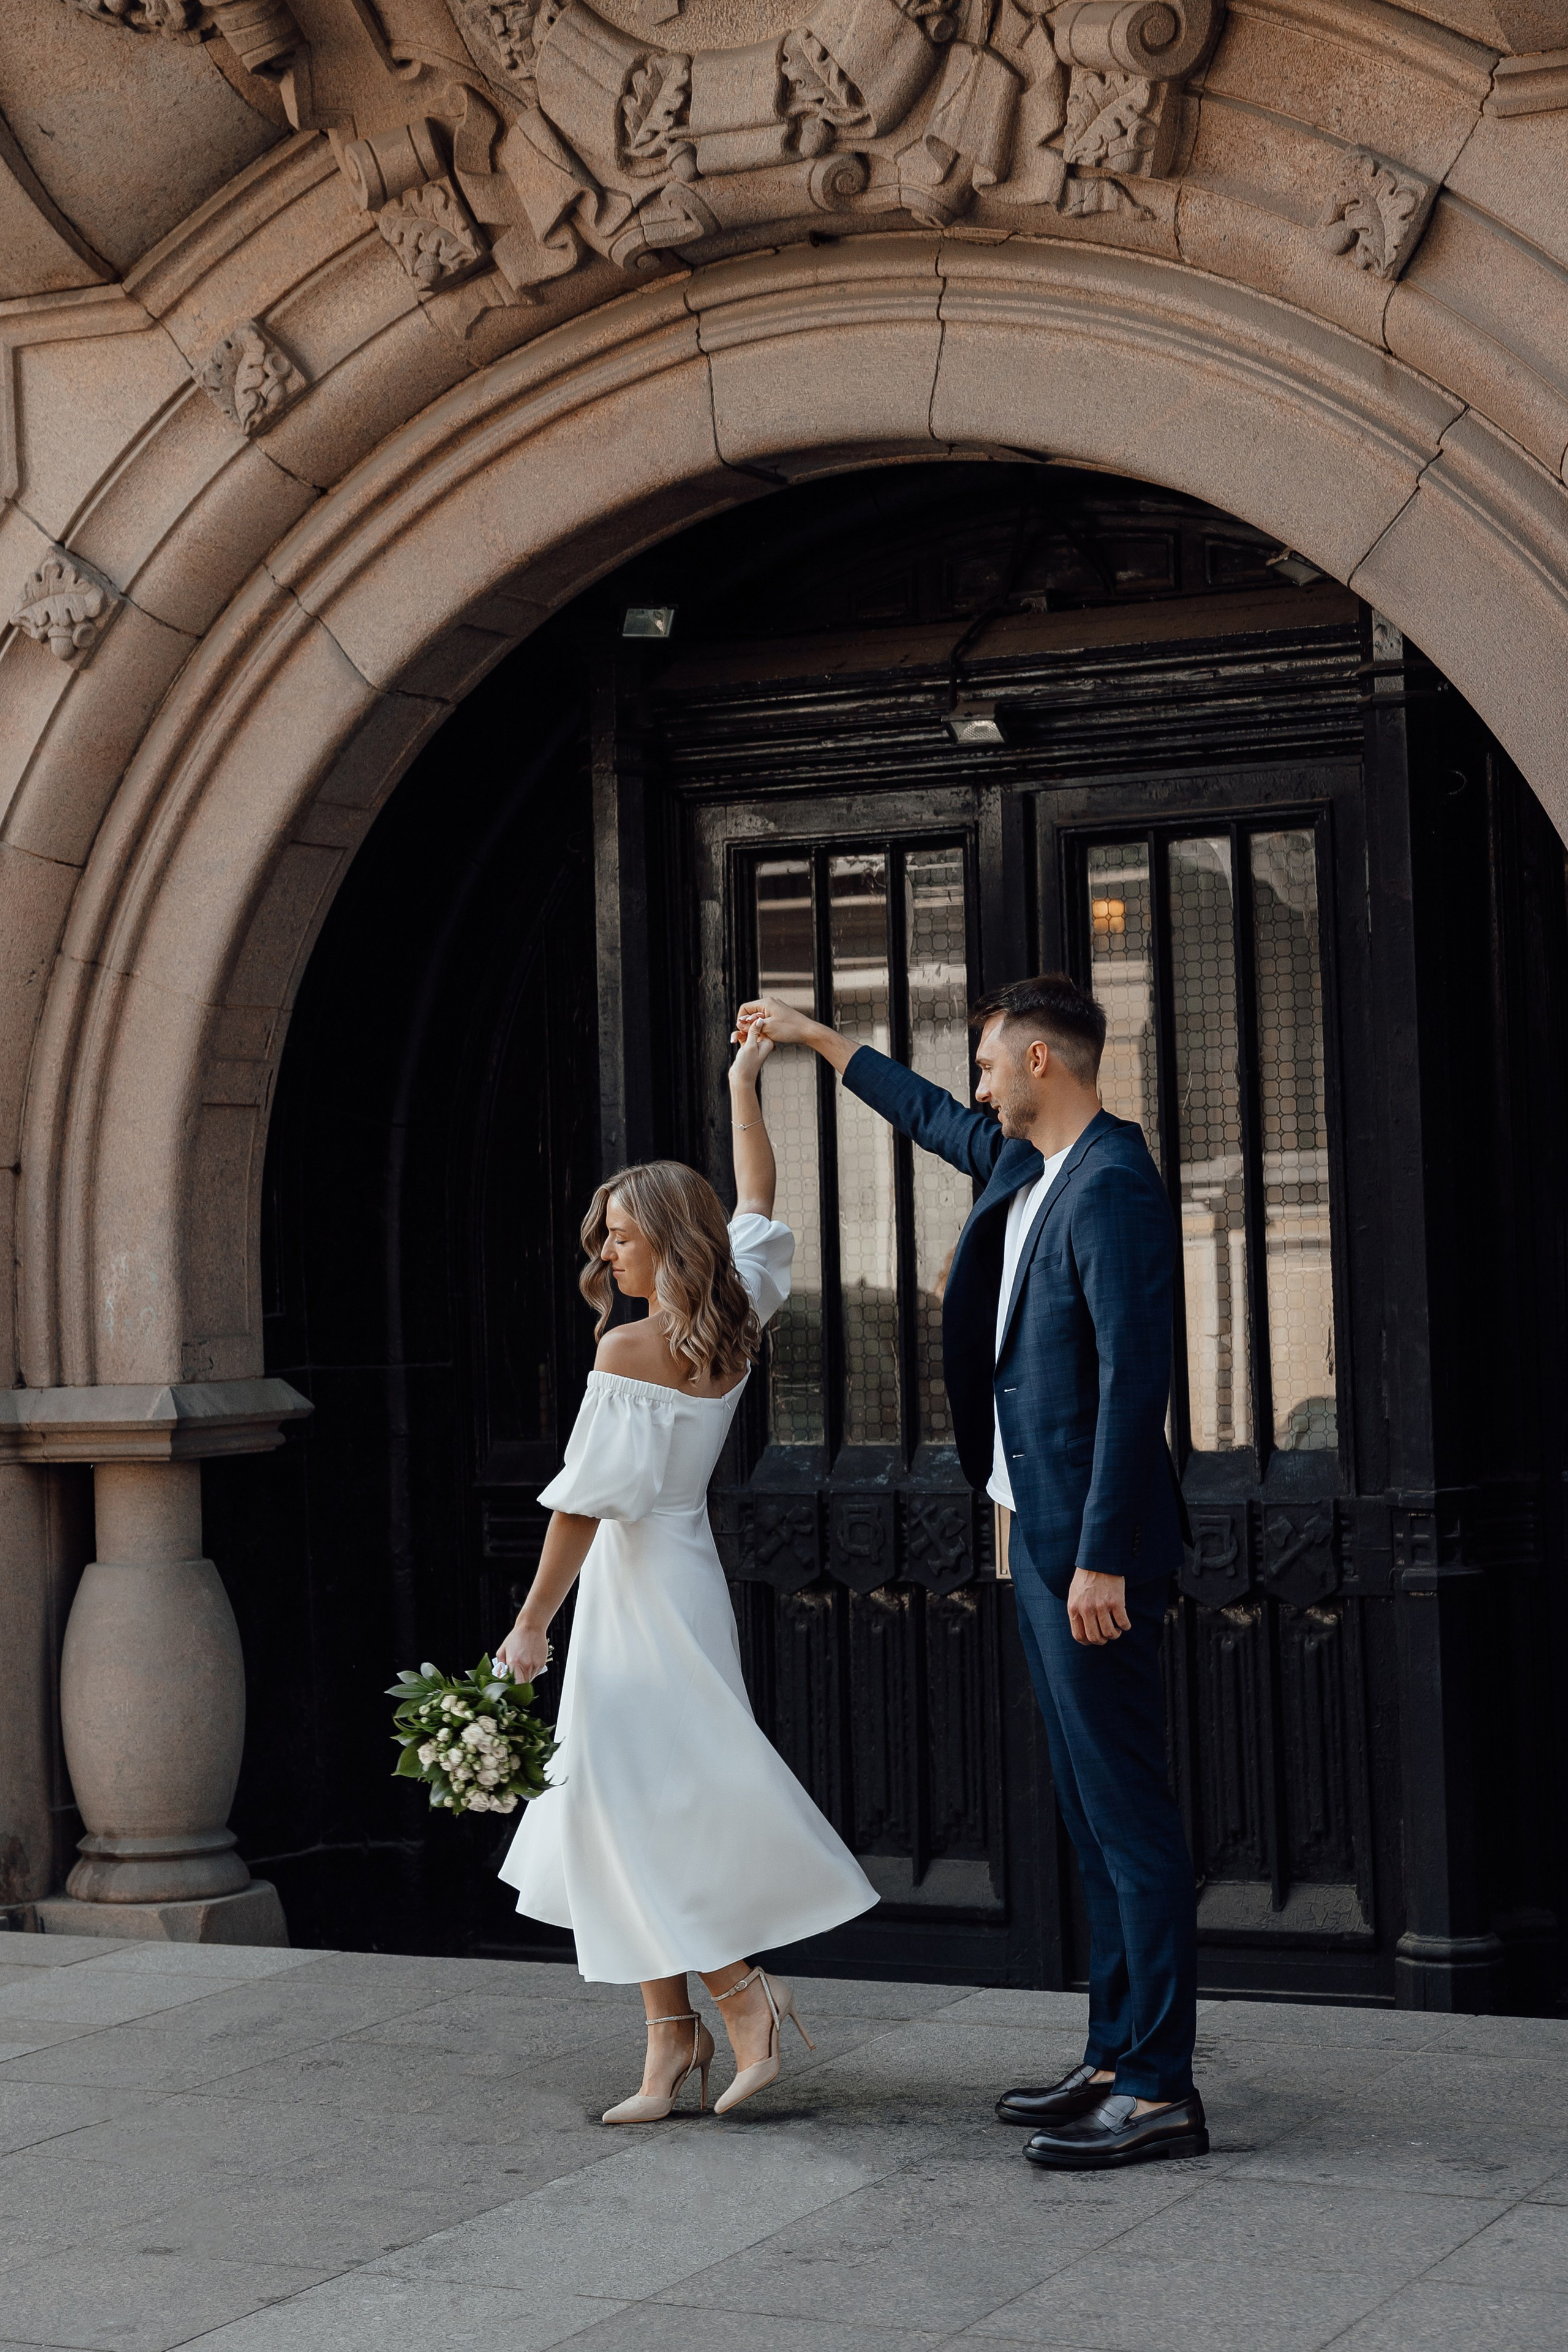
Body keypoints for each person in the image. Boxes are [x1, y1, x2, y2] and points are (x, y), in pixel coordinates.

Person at [734, 974, 1204, 2172]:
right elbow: (932, 1115)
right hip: (1033, 1535)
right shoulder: (1027, 1166)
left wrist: (1098, 1553)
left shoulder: (1109, 1190)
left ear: (1043, 1060)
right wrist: (813, 1038)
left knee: (1130, 1823)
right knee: (1092, 1824)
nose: (978, 1085)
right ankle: (1111, 2057)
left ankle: (1156, 2089)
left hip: (1084, 1554)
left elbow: (1132, 1389)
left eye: (992, 1064)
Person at [492, 1023, 876, 2123]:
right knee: (619, 1803)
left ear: (666, 1242)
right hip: (682, 1578)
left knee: (646, 1801)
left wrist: (528, 1628)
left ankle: (739, 1996)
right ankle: (672, 2042)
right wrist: (743, 1084)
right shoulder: (737, 1311)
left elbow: (581, 1507)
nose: (606, 1254)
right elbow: (755, 1187)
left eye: (620, 1236)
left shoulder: (628, 1352)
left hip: (635, 1587)